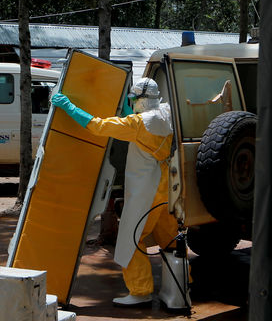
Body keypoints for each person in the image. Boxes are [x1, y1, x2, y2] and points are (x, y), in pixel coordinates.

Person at [51, 78, 178, 306]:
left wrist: (69, 106)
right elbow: (137, 120)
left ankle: (140, 291)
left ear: (141, 100)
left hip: (146, 190)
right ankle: (180, 288)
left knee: (132, 238)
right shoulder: (167, 112)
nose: (133, 103)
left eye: (134, 100)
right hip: (167, 187)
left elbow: (97, 126)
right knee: (171, 240)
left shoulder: (137, 124)